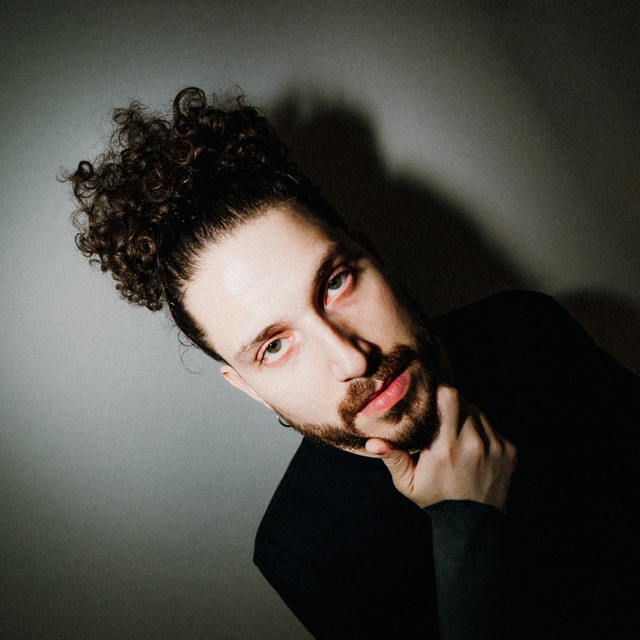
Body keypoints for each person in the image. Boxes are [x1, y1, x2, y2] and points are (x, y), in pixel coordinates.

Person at [68, 88, 638, 639]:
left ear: (374, 256)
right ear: (249, 389)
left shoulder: (525, 327)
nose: (351, 358)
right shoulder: (302, 549)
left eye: (336, 282)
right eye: (274, 346)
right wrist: (466, 532)